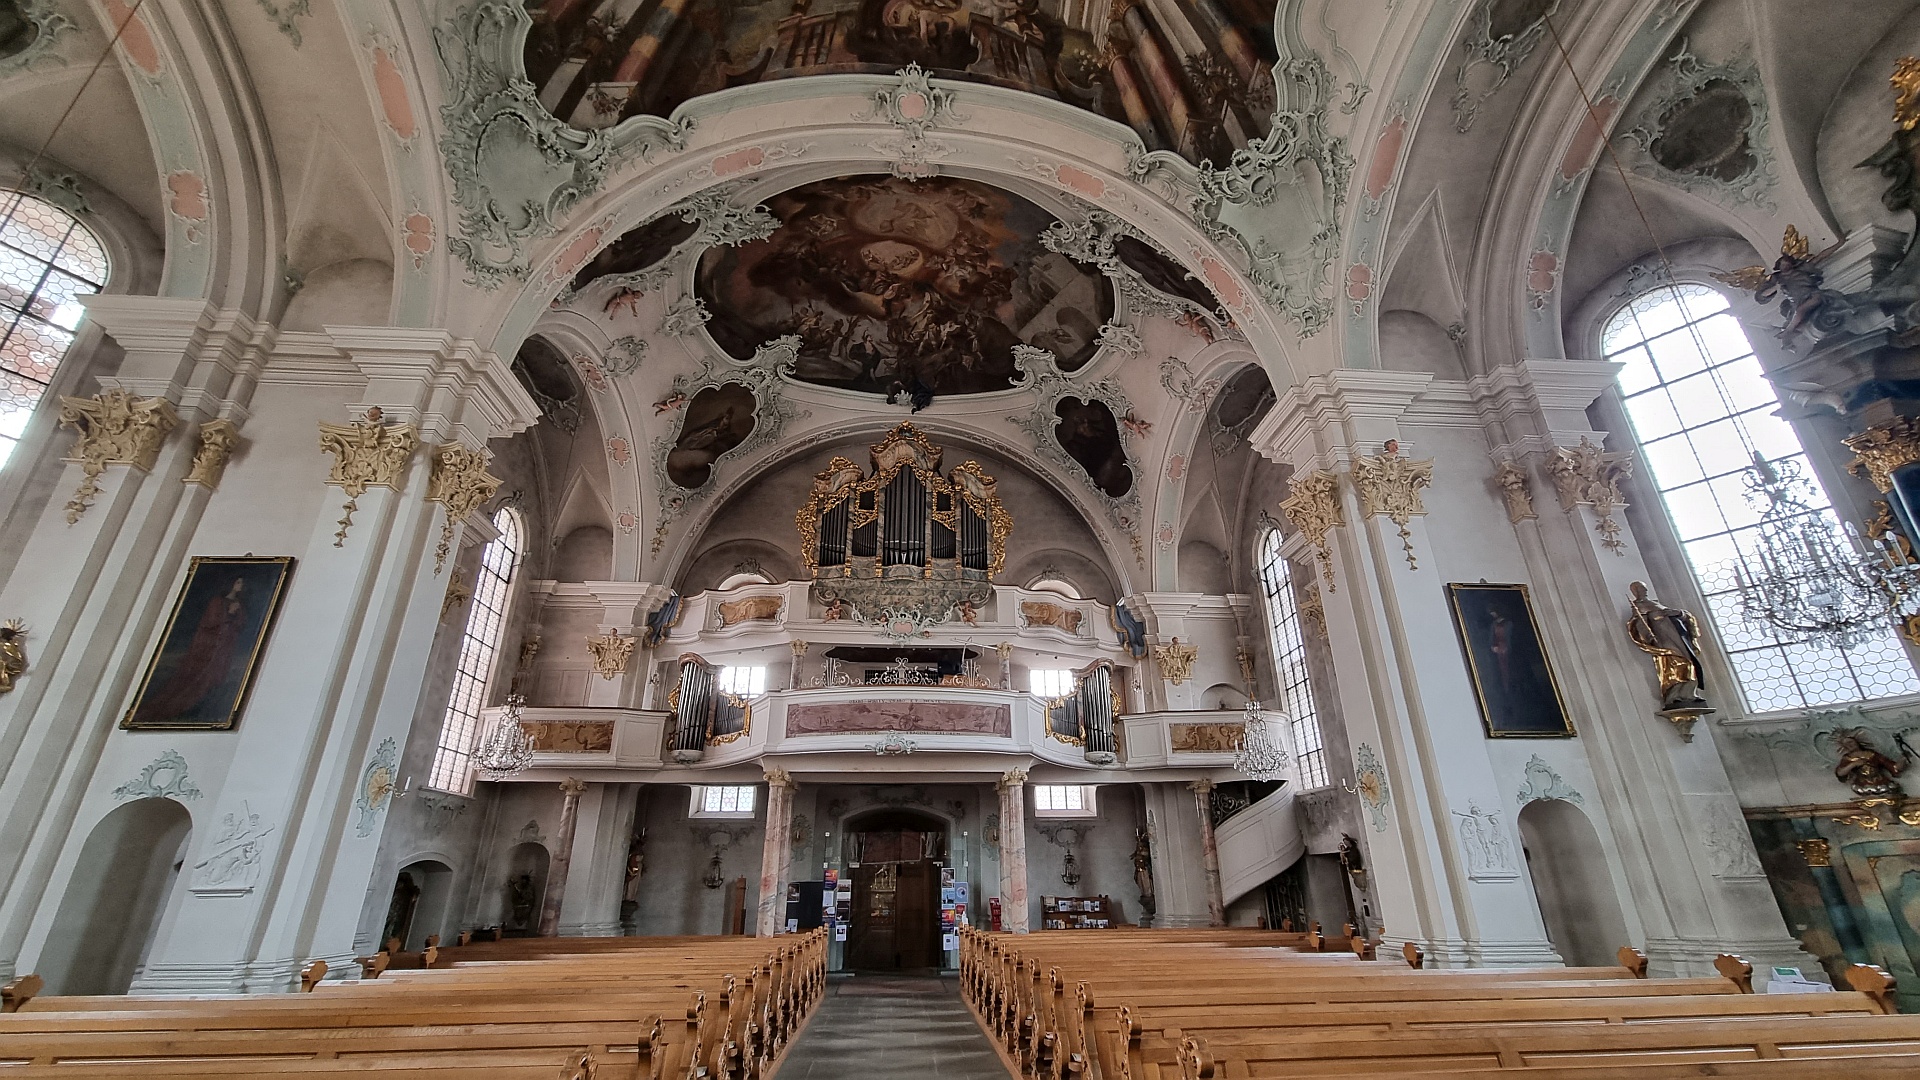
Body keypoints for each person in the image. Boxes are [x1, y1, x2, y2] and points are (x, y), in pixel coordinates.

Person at [1625, 581, 1708, 711]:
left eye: (1645, 589)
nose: (1645, 591)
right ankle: (1673, 697)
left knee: (1691, 664)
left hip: (1678, 637)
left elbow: (1681, 616)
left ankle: (1689, 694)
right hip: (1665, 639)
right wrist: (1649, 638)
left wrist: (1679, 613)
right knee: (1678, 664)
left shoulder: (1655, 603)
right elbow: (1642, 625)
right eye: (1641, 589)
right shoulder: (1639, 606)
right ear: (1635, 591)